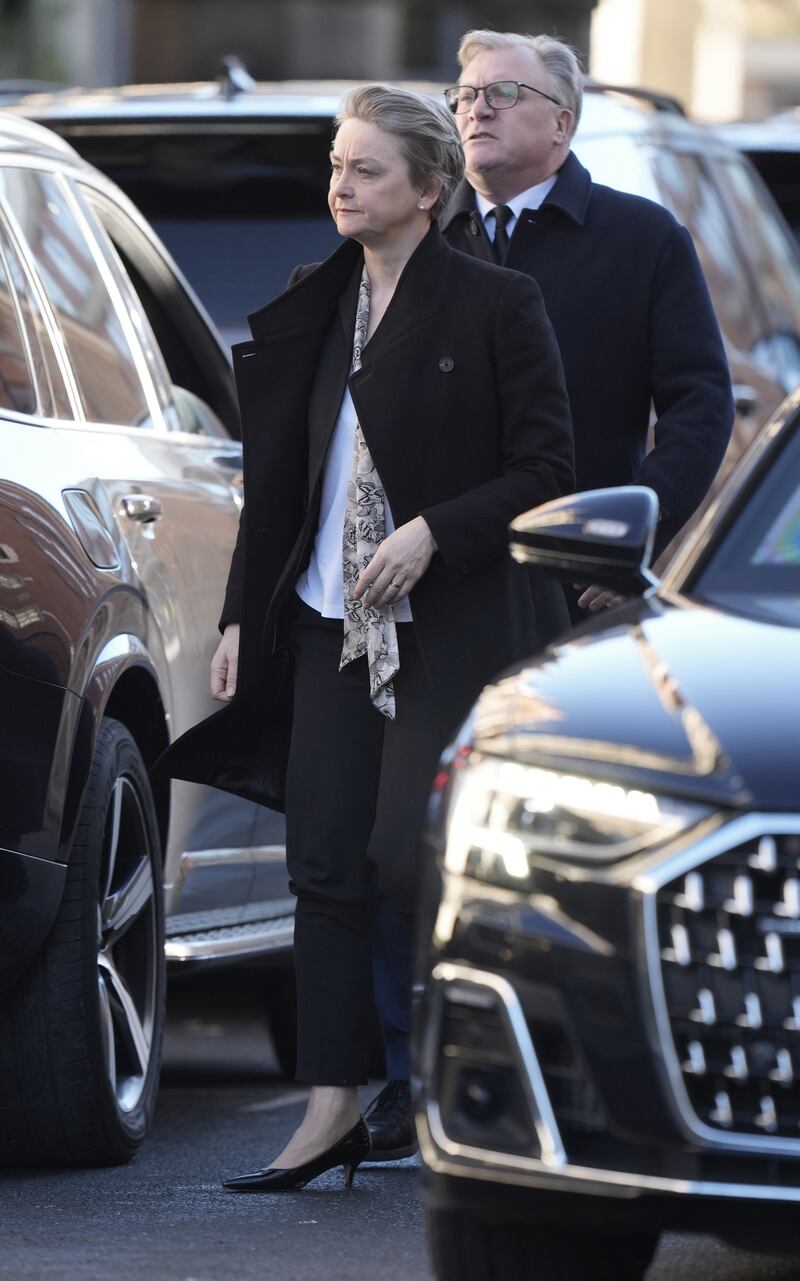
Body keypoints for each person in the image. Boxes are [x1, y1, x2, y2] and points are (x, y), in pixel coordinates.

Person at [161, 82, 574, 1191]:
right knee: (324, 864)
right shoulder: (311, 301)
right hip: (320, 621)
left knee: (408, 858)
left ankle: (465, 1090)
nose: (340, 185)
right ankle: (330, 1108)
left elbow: (545, 472)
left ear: (427, 190)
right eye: (337, 167)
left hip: (445, 626)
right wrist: (247, 612)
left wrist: (438, 531)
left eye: (366, 170)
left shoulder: (497, 304)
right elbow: (276, 484)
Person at [365, 29, 736, 1161]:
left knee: (559, 836)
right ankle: (405, 1078)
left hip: (579, 600)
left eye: (500, 96)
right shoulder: (427, 239)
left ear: (560, 123)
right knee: (403, 837)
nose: (472, 112)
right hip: (434, 586)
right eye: (463, 95)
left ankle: (561, 1078)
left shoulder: (638, 239)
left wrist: (619, 555)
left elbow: (699, 410)